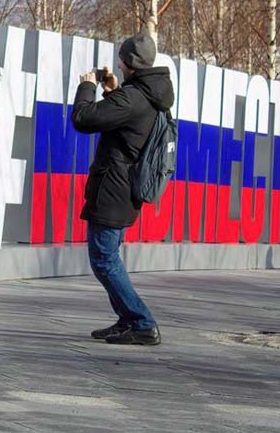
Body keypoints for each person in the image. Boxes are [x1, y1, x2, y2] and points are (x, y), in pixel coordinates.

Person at [71, 32, 173, 346]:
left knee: (104, 259)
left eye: (121, 59)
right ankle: (127, 320)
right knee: (108, 256)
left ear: (128, 62)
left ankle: (142, 322)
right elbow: (125, 117)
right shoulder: (148, 92)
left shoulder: (133, 98)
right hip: (124, 187)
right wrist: (114, 90)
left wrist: (87, 86)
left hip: (114, 187)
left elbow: (83, 119)